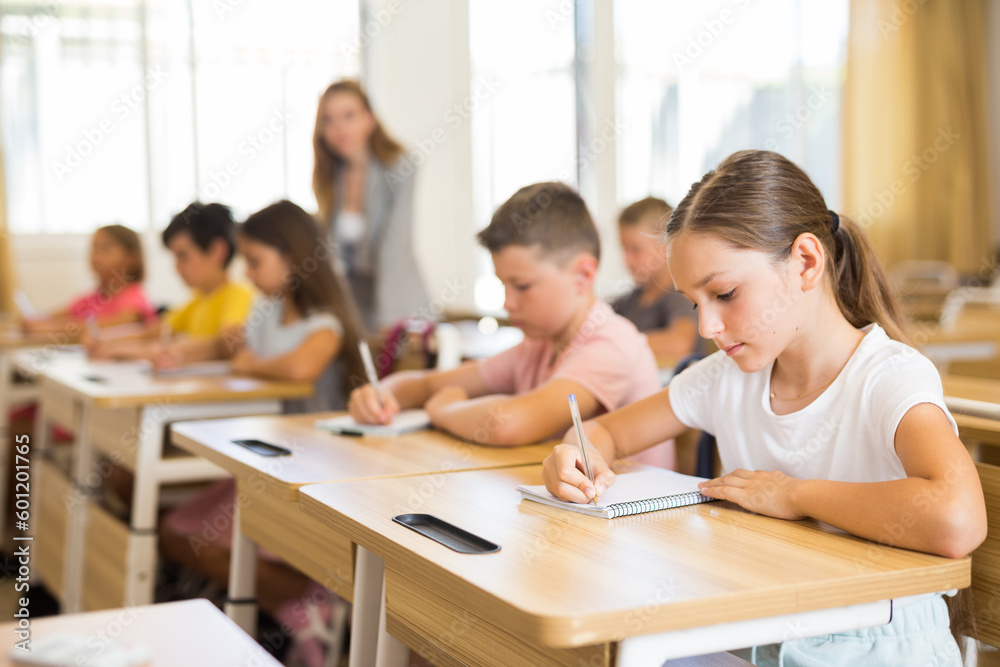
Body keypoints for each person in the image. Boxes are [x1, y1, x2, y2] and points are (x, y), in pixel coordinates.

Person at [541, 150, 986, 666]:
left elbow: (956, 519)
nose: (707, 326)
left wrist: (794, 494)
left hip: (881, 648)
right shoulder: (726, 379)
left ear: (805, 262)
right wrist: (575, 453)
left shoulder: (887, 377)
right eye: (694, 303)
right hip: (767, 636)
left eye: (725, 293)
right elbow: (606, 434)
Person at [157, 200, 367, 666]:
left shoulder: (324, 322)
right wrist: (179, 354)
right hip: (267, 458)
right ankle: (300, 606)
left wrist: (251, 361)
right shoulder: (268, 312)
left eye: (255, 261)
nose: (246, 273)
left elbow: (301, 366)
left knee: (207, 542)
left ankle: (313, 606)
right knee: (176, 529)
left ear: (292, 259)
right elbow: (223, 343)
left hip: (313, 469)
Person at [349, 182, 669, 467]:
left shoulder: (611, 344)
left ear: (583, 276)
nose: (508, 303)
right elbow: (428, 385)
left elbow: (507, 423)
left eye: (522, 286)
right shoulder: (537, 346)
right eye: (503, 285)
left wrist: (443, 411)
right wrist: (383, 395)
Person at [313, 79, 427, 333]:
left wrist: (387, 320)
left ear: (370, 119)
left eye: (349, 116)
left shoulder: (399, 167)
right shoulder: (330, 177)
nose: (339, 128)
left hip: (398, 304)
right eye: (328, 120)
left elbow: (394, 246)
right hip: (355, 310)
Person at [88, 202, 254, 360]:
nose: (176, 267)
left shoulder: (238, 294)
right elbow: (152, 332)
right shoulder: (198, 300)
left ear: (217, 251)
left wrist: (141, 351)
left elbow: (225, 344)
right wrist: (106, 339)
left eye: (182, 255)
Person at [22, 224, 155, 335]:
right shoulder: (91, 299)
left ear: (132, 258)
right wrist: (38, 319)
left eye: (105, 249)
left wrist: (52, 328)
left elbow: (116, 325)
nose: (96, 257)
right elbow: (59, 314)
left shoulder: (134, 300)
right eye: (94, 248)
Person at [611, 197, 699, 359]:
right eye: (624, 249)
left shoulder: (682, 295)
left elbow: (679, 344)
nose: (627, 260)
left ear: (664, 245)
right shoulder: (629, 302)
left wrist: (613, 342)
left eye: (635, 249)